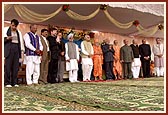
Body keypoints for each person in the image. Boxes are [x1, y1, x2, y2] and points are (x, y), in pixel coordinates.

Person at [4, 19, 25, 87]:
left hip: (16, 49)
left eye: (15, 26)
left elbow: (21, 43)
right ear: (10, 24)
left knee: (15, 67)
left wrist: (21, 54)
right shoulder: (5, 30)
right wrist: (7, 38)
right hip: (9, 49)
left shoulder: (18, 32)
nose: (14, 27)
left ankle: (15, 82)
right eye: (13, 25)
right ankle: (7, 83)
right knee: (8, 67)